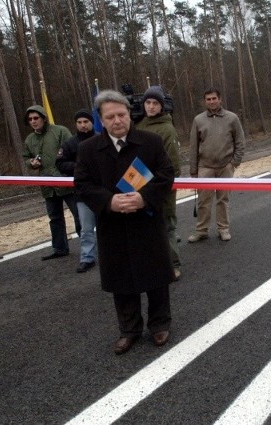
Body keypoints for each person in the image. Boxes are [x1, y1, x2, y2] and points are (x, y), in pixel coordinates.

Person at [74, 90, 175, 355]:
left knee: (155, 275)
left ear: (129, 114)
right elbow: (82, 185)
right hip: (112, 224)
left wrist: (144, 198)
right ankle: (129, 330)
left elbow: (166, 174)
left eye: (121, 114)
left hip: (146, 220)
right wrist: (109, 202)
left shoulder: (150, 142)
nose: (117, 120)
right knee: (121, 278)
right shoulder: (88, 149)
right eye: (111, 117)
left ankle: (159, 324)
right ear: (101, 120)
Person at [22, 105, 81, 261]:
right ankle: (60, 248)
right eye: (30, 119)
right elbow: (25, 157)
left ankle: (89, 247)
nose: (33, 121)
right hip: (47, 184)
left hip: (66, 180)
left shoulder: (60, 131)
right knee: (54, 218)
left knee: (79, 215)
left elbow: (73, 150)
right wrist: (31, 163)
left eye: (36, 118)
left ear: (43, 117)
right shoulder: (29, 139)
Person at [135, 86, 182, 280]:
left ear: (161, 106)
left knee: (167, 225)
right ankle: (151, 263)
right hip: (139, 182)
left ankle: (173, 264)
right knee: (145, 227)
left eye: (155, 103)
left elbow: (172, 163)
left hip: (162, 185)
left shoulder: (166, 128)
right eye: (148, 102)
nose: (151, 107)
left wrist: (166, 186)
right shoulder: (138, 125)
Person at [188, 88, 245, 242]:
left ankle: (223, 229)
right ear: (204, 101)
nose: (212, 101)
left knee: (223, 200)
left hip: (225, 166)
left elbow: (240, 142)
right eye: (208, 99)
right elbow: (193, 146)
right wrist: (193, 170)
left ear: (220, 99)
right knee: (203, 201)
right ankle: (201, 230)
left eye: (214, 98)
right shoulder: (198, 120)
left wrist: (234, 163)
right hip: (204, 167)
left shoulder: (232, 118)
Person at [56, 109, 98, 273]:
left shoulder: (102, 139)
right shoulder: (69, 144)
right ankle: (87, 257)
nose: (83, 125)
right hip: (82, 194)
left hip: (103, 191)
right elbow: (60, 163)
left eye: (86, 122)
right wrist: (79, 168)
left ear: (92, 122)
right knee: (86, 228)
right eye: (79, 122)